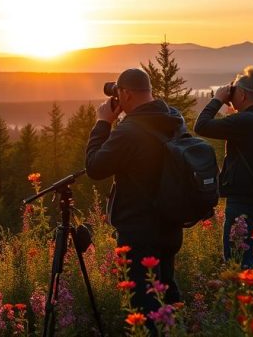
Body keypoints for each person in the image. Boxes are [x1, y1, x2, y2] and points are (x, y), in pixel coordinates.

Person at [85, 68, 185, 319]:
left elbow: (94, 167)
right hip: (170, 223)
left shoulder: (129, 131)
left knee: (143, 304)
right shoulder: (173, 118)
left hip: (139, 230)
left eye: (118, 93)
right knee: (166, 292)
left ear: (126, 94)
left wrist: (102, 123)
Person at [194, 65, 253, 268]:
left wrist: (217, 99)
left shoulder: (245, 121)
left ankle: (245, 299)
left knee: (238, 259)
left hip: (243, 199)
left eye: (233, 94)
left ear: (242, 94)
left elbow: (202, 126)